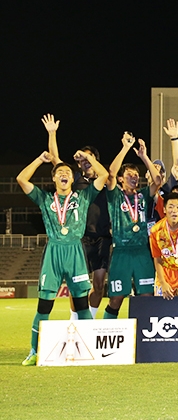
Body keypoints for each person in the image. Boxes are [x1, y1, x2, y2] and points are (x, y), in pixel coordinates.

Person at [17, 149, 109, 365]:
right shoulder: (45, 199)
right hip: (54, 252)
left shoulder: (83, 196)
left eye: (67, 172)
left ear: (72, 178)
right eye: (59, 173)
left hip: (75, 251)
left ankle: (89, 351)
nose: (64, 174)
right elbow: (21, 179)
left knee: (82, 304)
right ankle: (34, 351)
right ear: (54, 179)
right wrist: (39, 159)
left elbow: (104, 175)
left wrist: (89, 158)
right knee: (44, 305)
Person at [42, 114, 112, 319]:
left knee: (99, 285)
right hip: (80, 239)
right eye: (82, 160)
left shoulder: (106, 181)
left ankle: (90, 320)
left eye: (89, 159)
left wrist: (89, 157)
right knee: (77, 285)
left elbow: (105, 174)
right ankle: (75, 321)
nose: (85, 162)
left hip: (103, 238)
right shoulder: (75, 181)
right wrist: (52, 133)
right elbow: (55, 161)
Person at [103, 132, 163, 319]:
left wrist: (144, 157)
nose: (134, 177)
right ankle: (107, 331)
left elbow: (158, 181)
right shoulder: (115, 195)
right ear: (121, 179)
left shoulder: (143, 195)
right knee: (116, 298)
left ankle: (143, 334)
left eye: (136, 175)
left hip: (142, 251)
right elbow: (111, 174)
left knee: (146, 297)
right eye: (129, 175)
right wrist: (125, 148)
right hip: (121, 251)